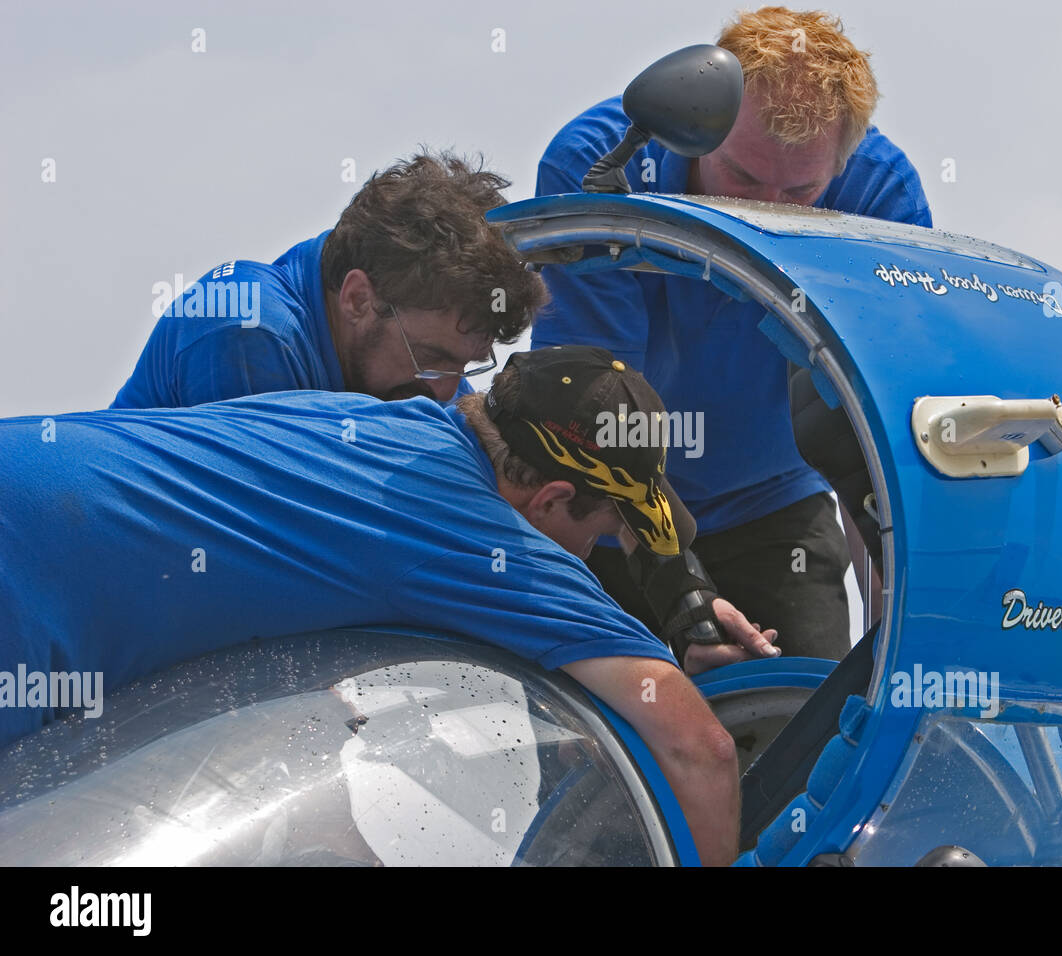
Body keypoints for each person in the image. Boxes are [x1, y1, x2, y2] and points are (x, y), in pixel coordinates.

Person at [0, 346, 777, 865]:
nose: (595, 557)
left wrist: (690, 614)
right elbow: (696, 747)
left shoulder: (394, 425)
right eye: (606, 531)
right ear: (549, 498)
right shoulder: (468, 534)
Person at [531, 7, 931, 660]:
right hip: (600, 512)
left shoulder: (882, 199)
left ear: (844, 162)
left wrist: (898, 641)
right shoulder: (597, 166)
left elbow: (877, 427)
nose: (764, 210)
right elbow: (599, 415)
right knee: (590, 746)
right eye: (742, 179)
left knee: (817, 738)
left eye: (799, 190)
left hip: (773, 506)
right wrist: (681, 595)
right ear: (701, 130)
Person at [112, 150, 546, 409]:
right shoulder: (245, 331)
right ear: (357, 298)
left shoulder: (420, 357)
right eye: (431, 356)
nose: (449, 389)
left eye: (465, 365)